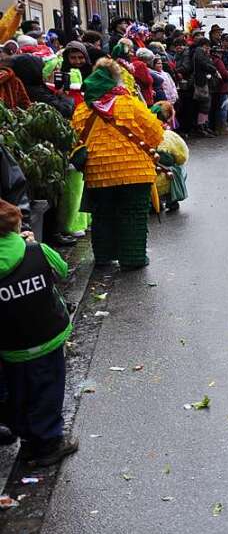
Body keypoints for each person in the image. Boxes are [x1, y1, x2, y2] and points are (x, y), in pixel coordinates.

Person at [0, 200, 78, 466]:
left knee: (18, 390)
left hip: (11, 346)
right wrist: (31, 243)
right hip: (47, 335)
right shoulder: (37, 251)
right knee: (48, 388)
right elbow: (63, 269)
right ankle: (49, 442)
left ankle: (29, 437)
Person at [71, 58, 165, 269]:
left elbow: (74, 137)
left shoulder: (82, 110)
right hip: (135, 171)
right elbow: (156, 134)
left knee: (102, 215)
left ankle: (104, 257)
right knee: (133, 215)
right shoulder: (130, 103)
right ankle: (133, 259)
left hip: (98, 173)